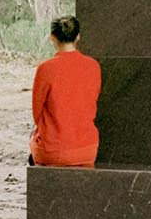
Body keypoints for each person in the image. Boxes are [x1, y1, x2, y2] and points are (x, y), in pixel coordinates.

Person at [29, 15, 101, 168]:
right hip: (87, 149)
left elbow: (37, 113)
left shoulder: (45, 68)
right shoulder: (93, 66)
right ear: (78, 36)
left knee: (34, 139)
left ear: (52, 37)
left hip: (53, 150)